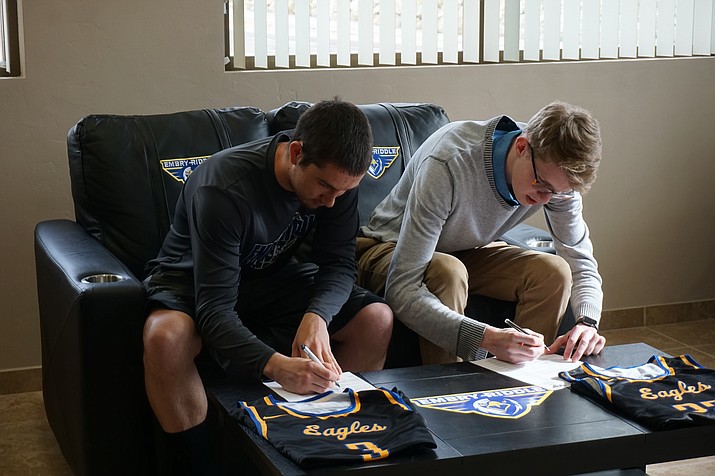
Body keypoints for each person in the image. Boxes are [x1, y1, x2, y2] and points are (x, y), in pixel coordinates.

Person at [142, 99, 393, 474]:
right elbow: (214, 309)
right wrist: (276, 366)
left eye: (343, 192)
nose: (330, 202)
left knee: (376, 318)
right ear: (295, 153)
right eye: (324, 186)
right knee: (165, 337)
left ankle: (319, 450)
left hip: (270, 277)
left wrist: (317, 316)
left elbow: (340, 263)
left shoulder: (338, 183)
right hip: (193, 281)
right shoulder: (224, 188)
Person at [356, 101, 606, 366]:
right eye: (541, 185)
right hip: (388, 247)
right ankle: (448, 394)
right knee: (448, 272)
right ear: (522, 147)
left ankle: (525, 384)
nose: (546, 199)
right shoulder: (449, 163)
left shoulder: (554, 179)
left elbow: (580, 262)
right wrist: (486, 339)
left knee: (554, 271)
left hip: (460, 251)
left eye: (557, 192)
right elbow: (402, 288)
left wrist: (587, 323)